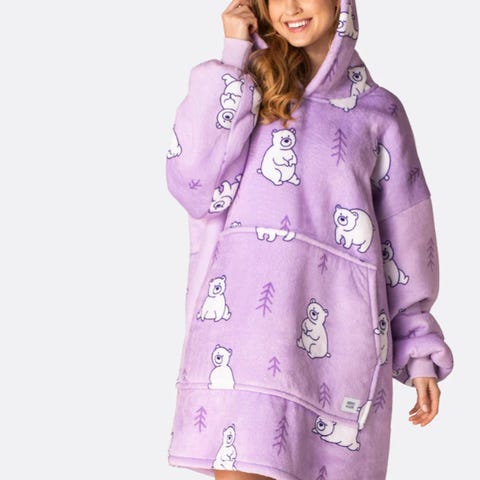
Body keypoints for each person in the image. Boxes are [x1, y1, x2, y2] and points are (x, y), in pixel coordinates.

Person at [164, 1, 454, 479]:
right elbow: (192, 183)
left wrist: (420, 349)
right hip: (243, 350)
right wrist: (234, 53)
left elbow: (405, 244)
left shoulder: (379, 113)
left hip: (339, 357)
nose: (292, 8)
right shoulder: (246, 88)